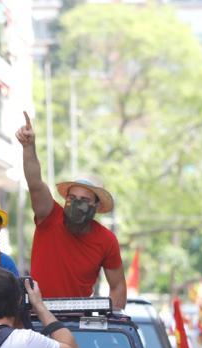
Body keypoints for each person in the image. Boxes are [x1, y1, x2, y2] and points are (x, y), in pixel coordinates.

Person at [16, 113, 126, 309]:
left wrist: (112, 321)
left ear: (96, 207)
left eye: (84, 200)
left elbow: (117, 286)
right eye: (71, 198)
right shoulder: (49, 215)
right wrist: (28, 147)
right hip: (37, 314)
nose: (76, 204)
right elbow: (35, 183)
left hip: (77, 319)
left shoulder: (106, 240)